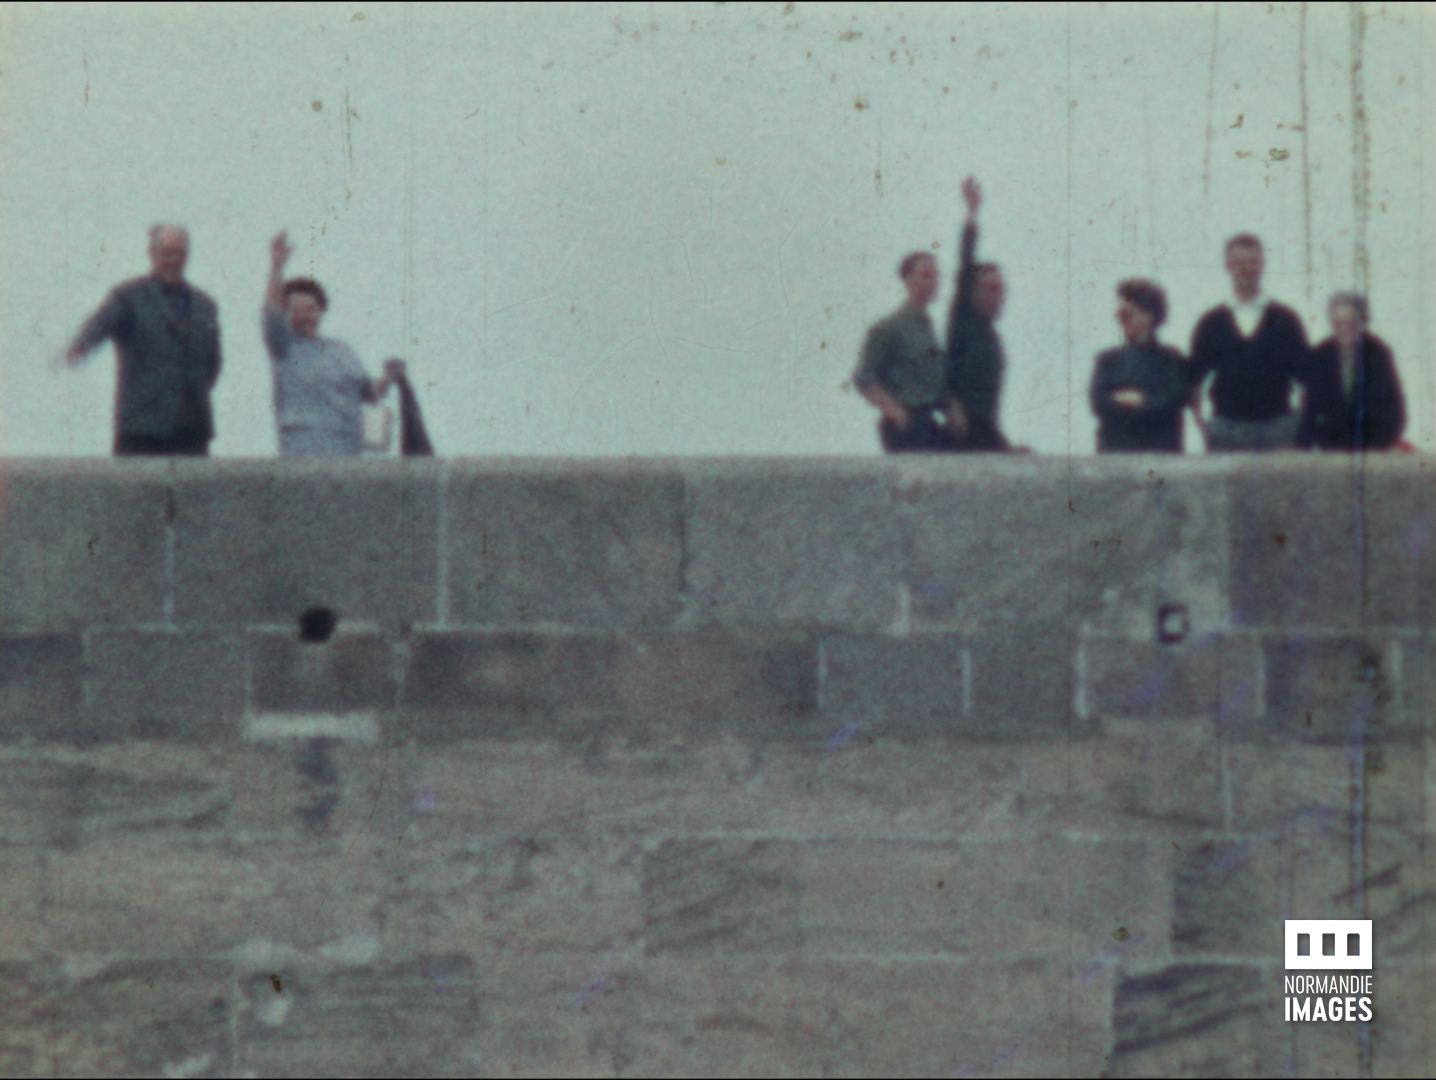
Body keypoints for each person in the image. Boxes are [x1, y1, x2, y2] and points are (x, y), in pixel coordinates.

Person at [64, 224, 223, 456]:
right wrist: (79, 346)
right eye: (167, 253)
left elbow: (213, 363)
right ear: (152, 254)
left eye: (179, 253)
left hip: (191, 430)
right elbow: (100, 326)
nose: (173, 260)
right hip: (142, 428)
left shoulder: (204, 306)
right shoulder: (129, 298)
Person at [264, 231, 402, 456]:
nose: (305, 316)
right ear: (287, 313)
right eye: (296, 310)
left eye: (310, 309)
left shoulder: (342, 352)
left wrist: (388, 377)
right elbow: (270, 315)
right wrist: (276, 267)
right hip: (301, 456)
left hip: (345, 454)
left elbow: (370, 393)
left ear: (321, 311)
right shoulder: (283, 348)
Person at [1188, 234, 1310, 451]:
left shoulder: (1285, 320)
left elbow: (1307, 380)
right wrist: (1203, 426)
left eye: (1252, 262)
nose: (1246, 269)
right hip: (1226, 430)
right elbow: (1193, 381)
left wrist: (1297, 425)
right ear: (1227, 266)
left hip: (1278, 429)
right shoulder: (1211, 323)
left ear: (1262, 264)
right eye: (1238, 262)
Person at [853, 250, 959, 452]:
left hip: (930, 421)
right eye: (926, 276)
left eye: (936, 276)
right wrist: (896, 412)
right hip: (908, 426)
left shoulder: (926, 328)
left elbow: (932, 380)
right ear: (908, 280)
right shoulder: (890, 328)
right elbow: (865, 378)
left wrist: (950, 407)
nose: (933, 282)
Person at [944, 176, 1010, 452]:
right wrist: (971, 214)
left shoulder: (991, 337)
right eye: (990, 289)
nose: (997, 297)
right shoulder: (964, 320)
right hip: (963, 432)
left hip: (986, 429)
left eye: (1000, 290)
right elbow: (965, 262)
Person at [1089, 279, 1191, 453]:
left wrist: (1135, 401)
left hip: (1161, 457)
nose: (1120, 320)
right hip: (1116, 455)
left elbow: (1174, 401)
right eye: (1119, 315)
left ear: (1148, 316)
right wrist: (1148, 403)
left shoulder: (1171, 360)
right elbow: (1099, 403)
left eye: (1126, 315)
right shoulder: (1108, 360)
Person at [1300, 292, 1406, 452]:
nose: (1343, 329)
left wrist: (1380, 445)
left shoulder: (1378, 353)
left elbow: (1394, 408)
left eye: (1350, 323)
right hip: (1332, 449)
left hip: (1372, 448)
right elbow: (1310, 408)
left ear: (1362, 321)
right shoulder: (1320, 355)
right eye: (1338, 323)